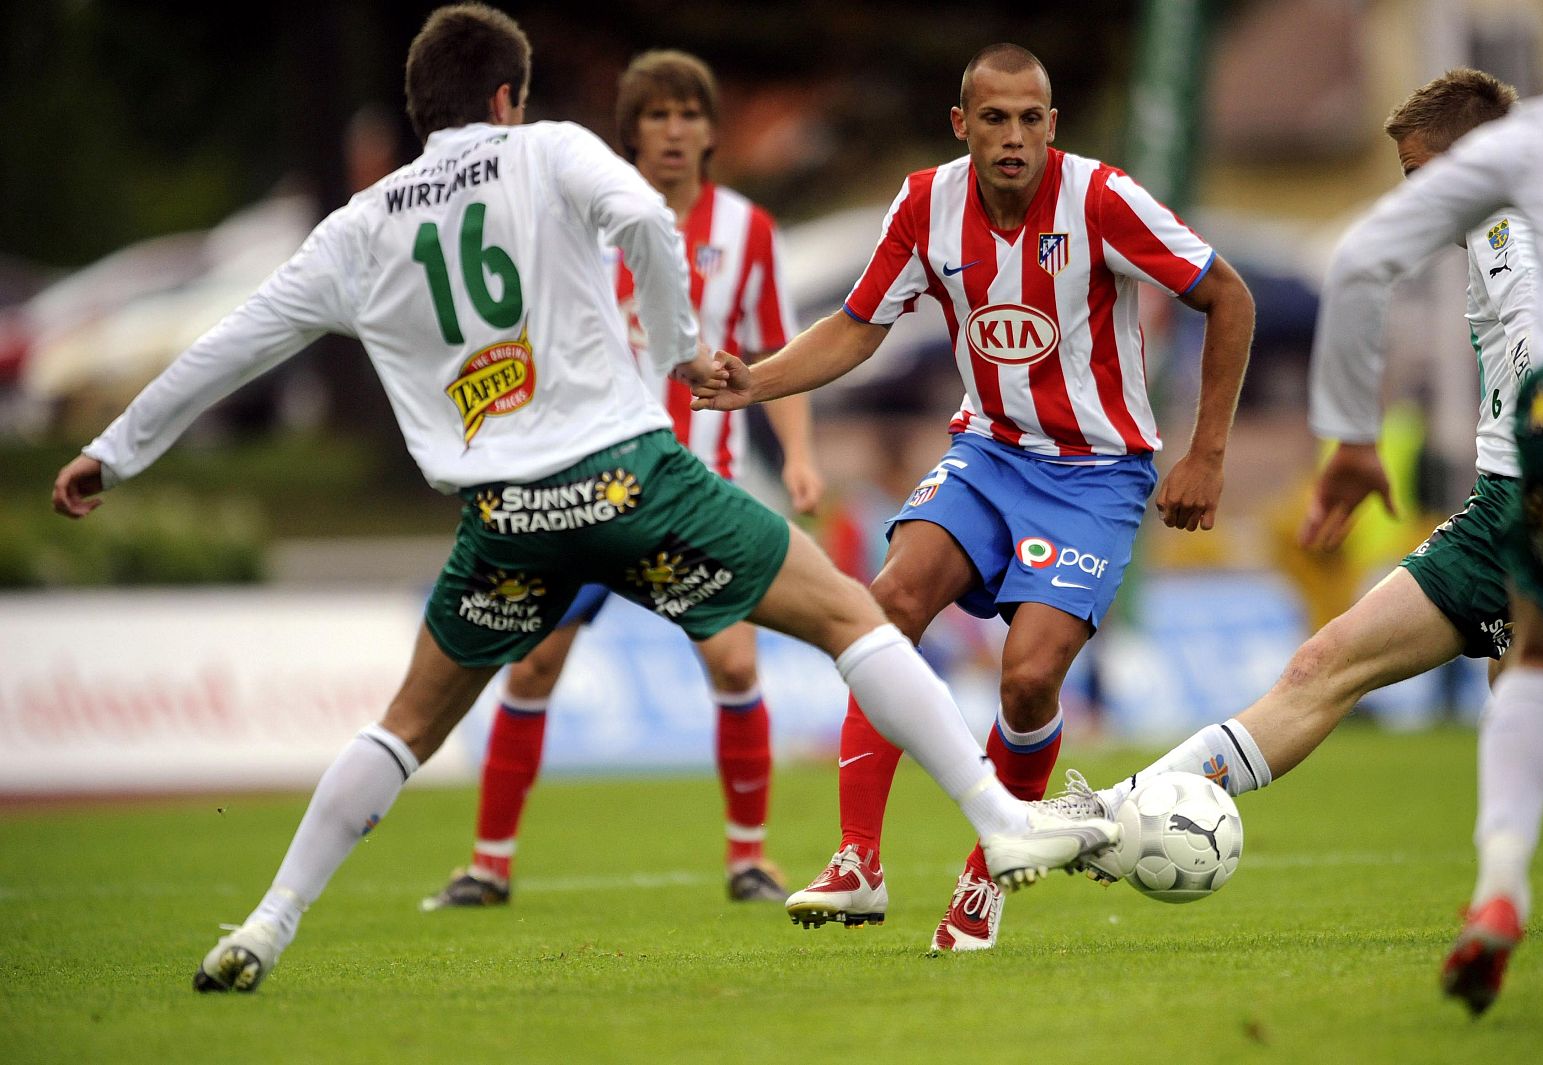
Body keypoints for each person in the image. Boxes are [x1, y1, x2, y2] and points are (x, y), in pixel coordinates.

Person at [51, 3, 1119, 994]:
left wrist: (115, 448)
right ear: (510, 97)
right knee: (852, 613)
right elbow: (649, 224)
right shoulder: (549, 151)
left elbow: (235, 340)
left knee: (408, 725)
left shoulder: (358, 225)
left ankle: (270, 921)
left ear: (422, 109)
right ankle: (996, 817)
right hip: (629, 477)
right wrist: (670, 345)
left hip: (505, 521)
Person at [692, 43, 1255, 951]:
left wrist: (1209, 454)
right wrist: (755, 382)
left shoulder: (1101, 197)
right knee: (884, 606)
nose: (1014, 137)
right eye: (995, 118)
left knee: (1028, 678)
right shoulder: (925, 204)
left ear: (1053, 126)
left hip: (1096, 473)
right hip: (988, 451)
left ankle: (982, 883)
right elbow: (855, 326)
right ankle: (857, 864)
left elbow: (1229, 296)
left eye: (1032, 119)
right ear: (963, 125)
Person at [1092, 68, 1543, 855]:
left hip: (1527, 504)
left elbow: (1542, 342)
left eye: (1421, 176)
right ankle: (1119, 810)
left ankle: (1114, 815)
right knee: (1495, 688)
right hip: (1520, 501)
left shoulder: (1506, 229)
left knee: (1344, 669)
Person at [423, 49, 819, 912]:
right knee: (530, 668)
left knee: (735, 659)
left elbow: (774, 355)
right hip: (582, 484)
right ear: (630, 132)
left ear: (712, 132)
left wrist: (797, 454)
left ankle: (750, 858)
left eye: (688, 115)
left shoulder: (748, 230)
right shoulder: (578, 219)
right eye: (655, 116)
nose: (673, 131)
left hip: (689, 492)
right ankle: (488, 865)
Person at [1263, 8, 1543, 1016]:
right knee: (1519, 676)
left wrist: (1349, 438)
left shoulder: (1534, 152)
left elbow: (1363, 264)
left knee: (1530, 671)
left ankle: (1500, 887)